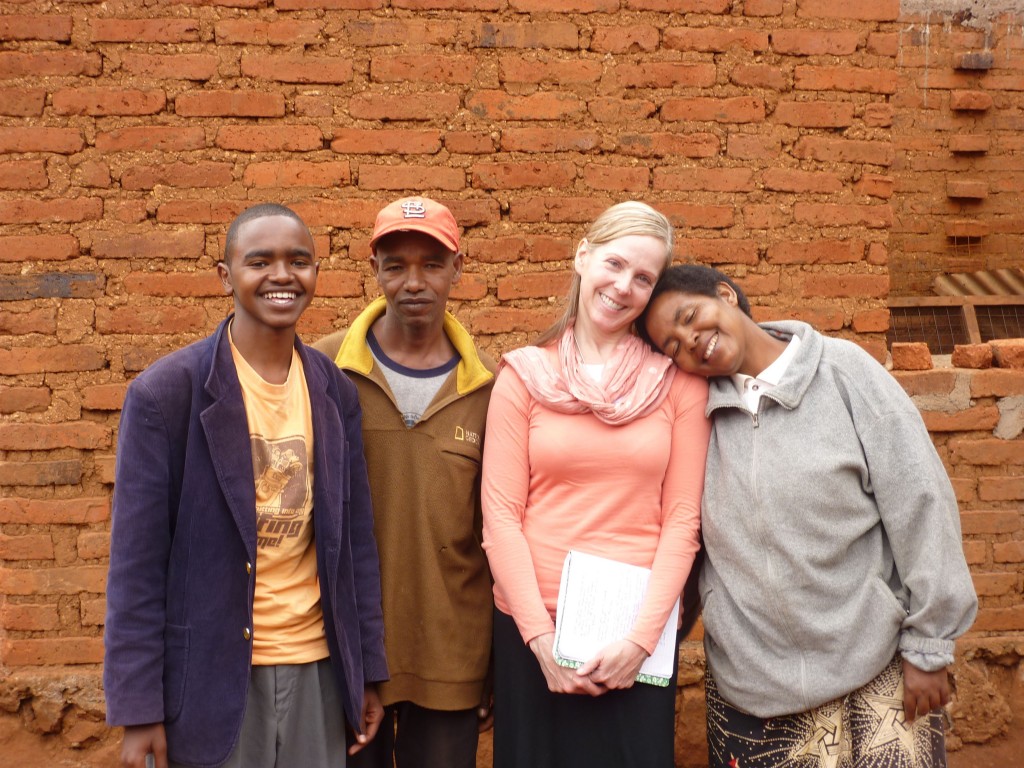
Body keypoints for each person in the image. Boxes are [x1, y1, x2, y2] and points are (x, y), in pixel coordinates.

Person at [637, 264, 979, 768]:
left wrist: (929, 646)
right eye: (671, 345)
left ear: (726, 295)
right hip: (752, 695)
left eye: (691, 317)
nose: (691, 341)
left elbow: (920, 502)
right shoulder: (694, 415)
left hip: (876, 673)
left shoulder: (844, 372)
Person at [104, 203, 389, 768]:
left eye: (299, 261)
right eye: (260, 261)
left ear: (315, 274)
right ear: (225, 274)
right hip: (212, 680)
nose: (282, 276)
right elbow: (136, 566)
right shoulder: (167, 394)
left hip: (319, 670)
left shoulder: (334, 391)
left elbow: (355, 547)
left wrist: (369, 673)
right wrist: (138, 712)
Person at [481, 201, 711, 768]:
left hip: (634, 638)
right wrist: (540, 640)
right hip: (531, 630)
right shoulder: (523, 377)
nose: (623, 286)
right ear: (582, 256)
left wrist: (640, 641)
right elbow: (501, 517)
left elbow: (683, 521)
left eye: (643, 278)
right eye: (614, 263)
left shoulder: (676, 385)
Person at [314, 196, 496, 768]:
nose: (413, 282)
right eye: (395, 265)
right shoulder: (324, 371)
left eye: (432, 264)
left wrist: (494, 662)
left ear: (458, 270)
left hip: (450, 651)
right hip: (345, 650)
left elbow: (498, 531)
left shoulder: (491, 389)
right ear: (375, 273)